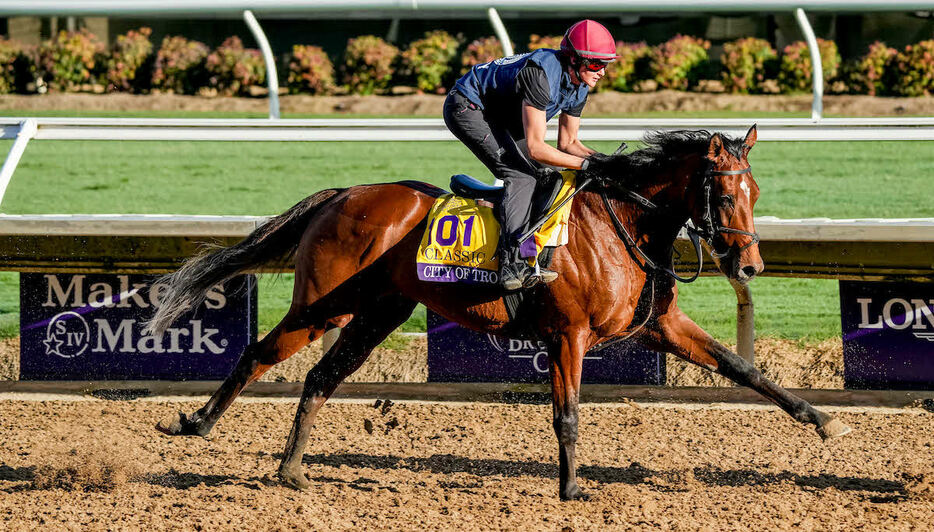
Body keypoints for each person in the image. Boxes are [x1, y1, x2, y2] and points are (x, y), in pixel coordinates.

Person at [443, 19, 619, 291]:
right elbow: (538, 147)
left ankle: (532, 253)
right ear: (573, 59)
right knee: (522, 176)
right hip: (468, 106)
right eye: (596, 64)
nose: (602, 73)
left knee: (546, 176)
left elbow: (569, 142)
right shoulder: (540, 74)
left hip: (500, 114)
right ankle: (511, 263)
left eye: (606, 64)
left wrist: (607, 163)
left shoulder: (581, 85)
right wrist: (585, 165)